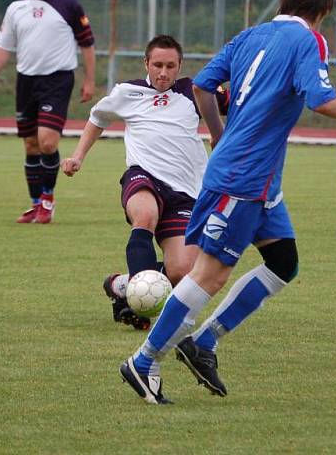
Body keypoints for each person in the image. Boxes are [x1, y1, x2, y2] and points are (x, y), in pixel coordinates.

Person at [119, 0, 336, 405]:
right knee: (210, 274)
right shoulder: (308, 39)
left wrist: (219, 133)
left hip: (259, 179)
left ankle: (203, 343)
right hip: (243, 179)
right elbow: (320, 100)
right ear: (324, 9)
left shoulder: (251, 34)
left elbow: (205, 84)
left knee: (283, 263)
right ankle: (144, 360)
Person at [62, 35, 229, 330]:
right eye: (157, 65)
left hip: (186, 192)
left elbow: (238, 101)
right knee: (145, 215)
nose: (163, 73)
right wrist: (78, 156)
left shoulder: (195, 91)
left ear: (180, 66)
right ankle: (137, 304)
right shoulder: (128, 92)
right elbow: (97, 118)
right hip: (143, 177)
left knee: (182, 271)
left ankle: (123, 284)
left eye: (170, 66)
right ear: (146, 64)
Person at [0, 0, 96, 224]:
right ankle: (35, 204)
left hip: (57, 80)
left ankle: (48, 200)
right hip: (27, 81)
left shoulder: (68, 4)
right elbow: (3, 45)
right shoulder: (16, 8)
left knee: (47, 141)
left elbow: (87, 43)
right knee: (31, 145)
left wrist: (89, 79)